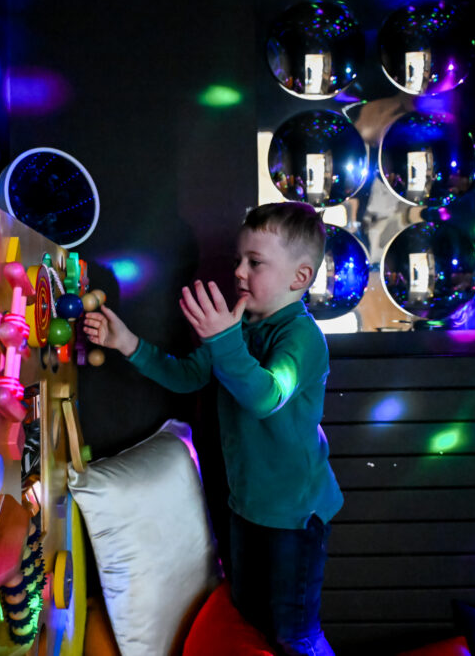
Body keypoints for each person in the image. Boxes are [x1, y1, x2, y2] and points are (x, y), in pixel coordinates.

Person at [83, 201, 342, 655]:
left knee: (292, 631)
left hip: (294, 515)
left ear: (299, 278)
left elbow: (266, 395)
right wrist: (127, 343)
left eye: (255, 262)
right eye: (239, 260)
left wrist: (224, 340)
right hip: (245, 505)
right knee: (246, 614)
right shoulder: (237, 324)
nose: (239, 271)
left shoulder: (301, 337)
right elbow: (188, 376)